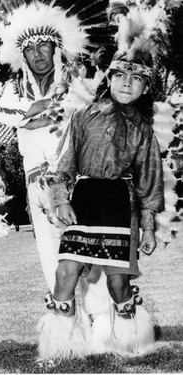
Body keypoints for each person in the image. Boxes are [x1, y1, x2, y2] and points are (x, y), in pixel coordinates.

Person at [0, 0, 115, 323]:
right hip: (36, 183)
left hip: (77, 180)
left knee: (88, 253)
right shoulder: (15, 89)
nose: (37, 54)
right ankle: (68, 329)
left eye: (43, 45)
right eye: (29, 49)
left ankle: (103, 323)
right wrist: (36, 110)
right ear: (22, 57)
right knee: (50, 254)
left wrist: (42, 116)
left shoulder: (76, 79)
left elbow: (83, 114)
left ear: (55, 47)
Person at [38, 47, 164, 359]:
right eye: (120, 74)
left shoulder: (144, 130)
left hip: (119, 204)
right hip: (84, 200)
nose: (126, 83)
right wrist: (60, 199)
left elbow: (150, 183)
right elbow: (62, 161)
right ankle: (61, 347)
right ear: (108, 78)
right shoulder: (82, 116)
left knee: (118, 284)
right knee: (65, 273)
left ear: (146, 88)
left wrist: (147, 229)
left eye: (136, 79)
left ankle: (132, 342)